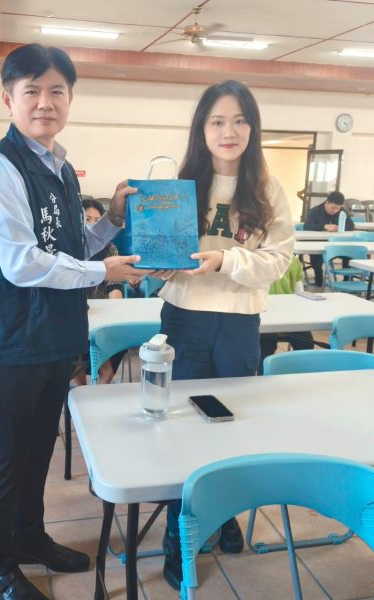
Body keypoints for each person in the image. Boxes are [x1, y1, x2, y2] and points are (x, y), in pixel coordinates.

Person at [0, 43, 148, 600]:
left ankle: (30, 538)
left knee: (40, 448)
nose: (44, 102)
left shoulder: (62, 168)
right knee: (4, 457)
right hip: (10, 341)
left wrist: (112, 220)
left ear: (70, 99)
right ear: (8, 99)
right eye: (32, 91)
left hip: (55, 336)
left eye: (56, 91)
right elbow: (21, 263)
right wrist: (101, 269)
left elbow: (68, 248)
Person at [156, 80, 294, 590]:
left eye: (239, 120)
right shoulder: (179, 185)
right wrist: (157, 263)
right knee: (182, 427)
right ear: (202, 128)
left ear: (252, 128)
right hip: (185, 318)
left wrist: (225, 259)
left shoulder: (267, 189)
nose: (228, 131)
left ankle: (223, 511)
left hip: (239, 321)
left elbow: (278, 261)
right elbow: (165, 256)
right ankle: (180, 532)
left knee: (230, 424)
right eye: (217, 121)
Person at [71, 199, 124, 385]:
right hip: (76, 318)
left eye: (97, 220)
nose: (92, 224)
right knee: (75, 359)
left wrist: (116, 310)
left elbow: (114, 285)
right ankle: (81, 391)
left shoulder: (110, 248)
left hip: (102, 319)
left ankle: (96, 395)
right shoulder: (72, 249)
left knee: (107, 369)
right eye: (87, 219)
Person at [258, 255, 314, 374]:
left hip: (288, 314)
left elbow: (299, 292)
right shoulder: (254, 259)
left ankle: (301, 375)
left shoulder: (292, 260)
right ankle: (263, 376)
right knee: (265, 342)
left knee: (306, 341)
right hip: (262, 316)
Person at [304, 191, 355, 287]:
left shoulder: (342, 212)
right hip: (318, 243)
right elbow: (307, 226)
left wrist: (338, 227)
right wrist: (324, 226)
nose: (335, 210)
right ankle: (318, 278)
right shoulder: (315, 211)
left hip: (336, 244)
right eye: (333, 207)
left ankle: (347, 280)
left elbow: (351, 226)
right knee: (316, 255)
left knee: (349, 252)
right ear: (327, 202)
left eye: (337, 208)